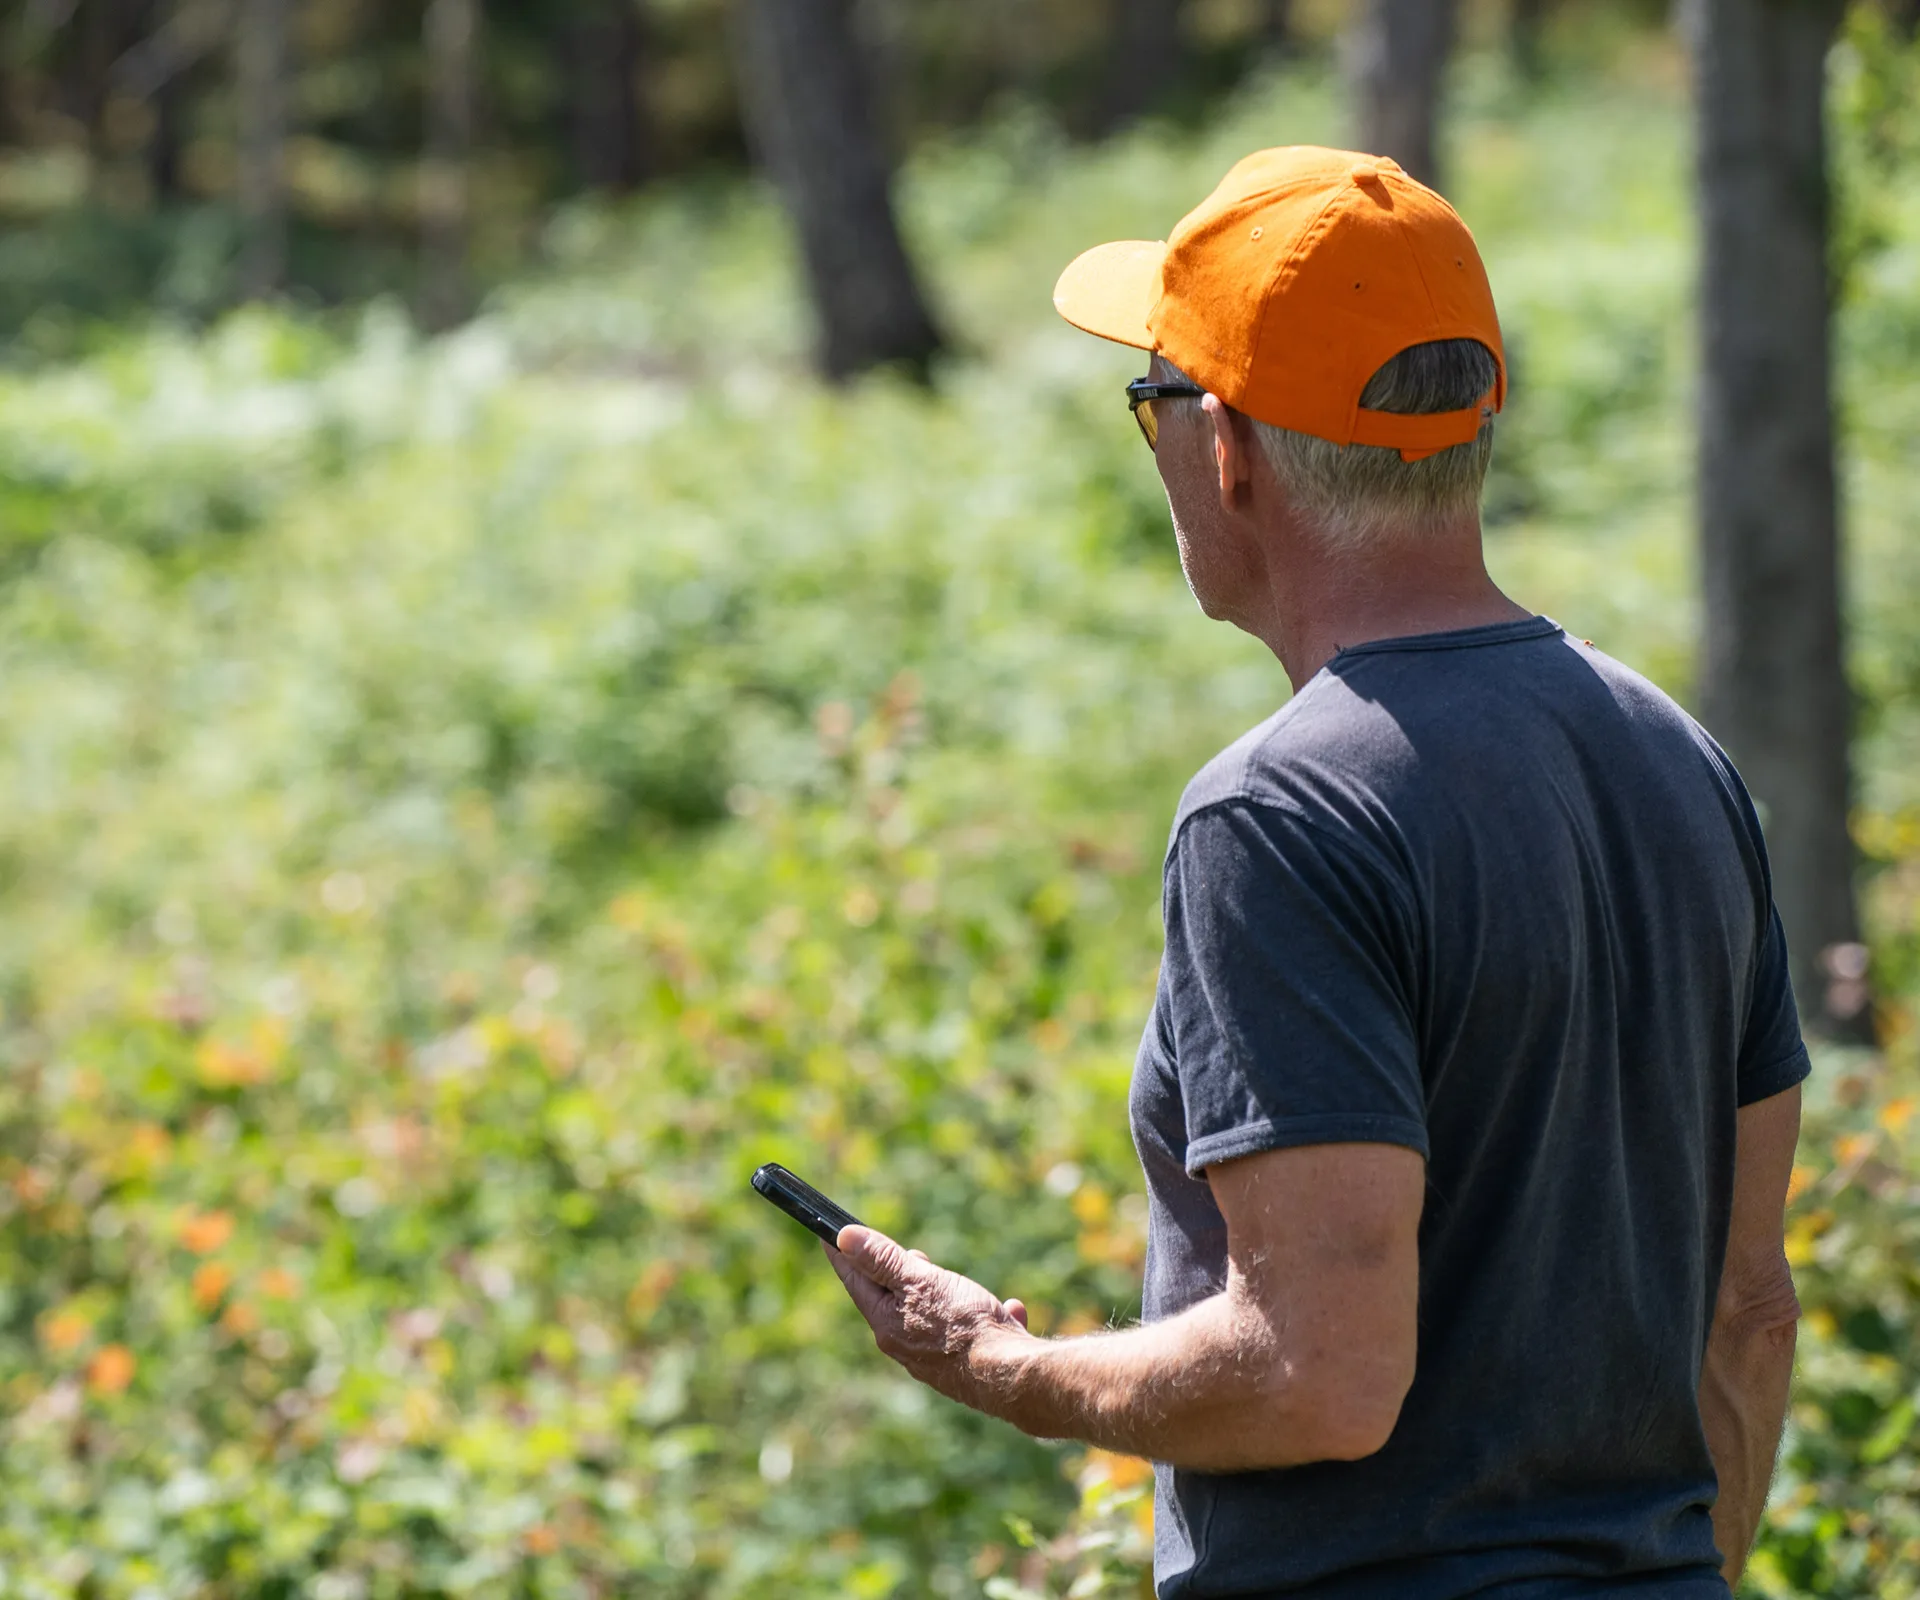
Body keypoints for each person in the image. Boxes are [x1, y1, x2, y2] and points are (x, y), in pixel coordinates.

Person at [823, 145, 1807, 1599]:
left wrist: (1001, 1368)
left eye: (1149, 398)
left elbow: (1316, 1376)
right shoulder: (1680, 759)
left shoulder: (1277, 815)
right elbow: (1749, 1309)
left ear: (1225, 447)